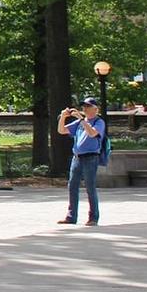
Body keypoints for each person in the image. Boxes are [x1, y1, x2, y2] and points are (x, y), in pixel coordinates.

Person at [57, 97, 106, 226]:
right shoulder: (79, 123)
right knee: (72, 186)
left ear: (96, 109)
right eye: (84, 106)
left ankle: (93, 217)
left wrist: (81, 119)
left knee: (90, 187)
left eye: (88, 106)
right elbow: (61, 130)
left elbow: (92, 133)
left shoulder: (99, 122)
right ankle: (71, 216)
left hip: (91, 157)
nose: (85, 109)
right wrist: (63, 117)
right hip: (77, 158)